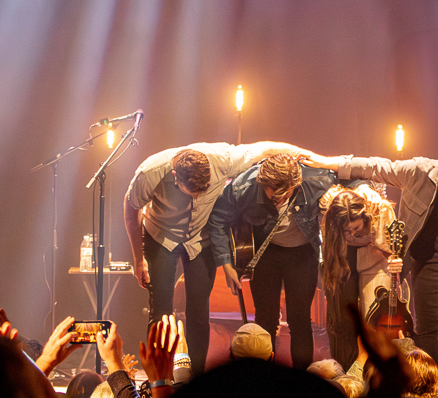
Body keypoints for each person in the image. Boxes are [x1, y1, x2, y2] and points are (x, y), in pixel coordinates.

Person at [124, 141, 312, 373]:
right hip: (161, 237)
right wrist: (138, 258)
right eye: (192, 192)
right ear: (175, 176)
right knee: (161, 310)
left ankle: (195, 375)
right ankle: (159, 377)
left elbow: (266, 148)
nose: (198, 196)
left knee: (199, 309)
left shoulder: (223, 159)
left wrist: (319, 159)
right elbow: (131, 212)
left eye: (204, 189)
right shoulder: (149, 173)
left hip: (201, 240)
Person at [307, 155, 438, 363]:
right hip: (427, 260)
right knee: (426, 329)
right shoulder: (417, 172)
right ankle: (429, 388)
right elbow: (374, 167)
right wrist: (326, 162)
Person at [208, 154, 338, 371]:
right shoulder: (243, 187)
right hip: (265, 253)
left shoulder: (317, 179)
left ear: (294, 185)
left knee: (300, 320)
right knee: (264, 320)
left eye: (281, 196)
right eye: (270, 196)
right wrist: (226, 264)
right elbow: (217, 219)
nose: (274, 201)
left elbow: (351, 178)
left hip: (303, 253)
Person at [319, 184, 404, 369]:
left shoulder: (380, 209)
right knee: (342, 319)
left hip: (376, 257)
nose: (352, 233)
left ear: (365, 216)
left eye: (356, 227)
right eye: (346, 230)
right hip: (343, 256)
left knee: (373, 316)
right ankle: (346, 373)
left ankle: (376, 372)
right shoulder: (332, 209)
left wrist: (396, 261)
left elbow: (395, 249)